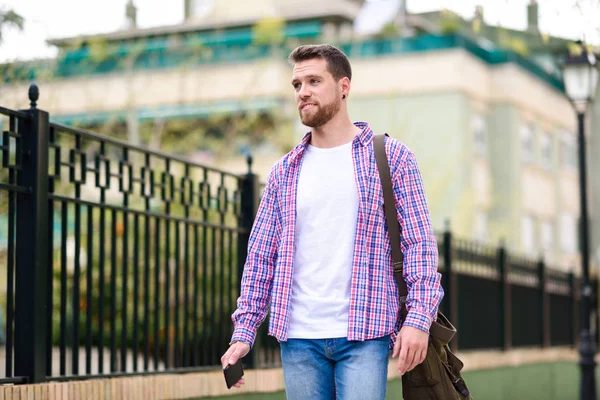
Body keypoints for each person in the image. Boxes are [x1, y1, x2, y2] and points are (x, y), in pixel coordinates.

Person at [221, 44, 443, 400]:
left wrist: (419, 318)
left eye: (313, 80)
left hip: (364, 332)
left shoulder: (390, 157)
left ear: (344, 86)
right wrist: (243, 331)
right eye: (296, 84)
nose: (303, 91)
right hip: (297, 337)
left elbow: (419, 245)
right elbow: (261, 258)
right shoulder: (284, 172)